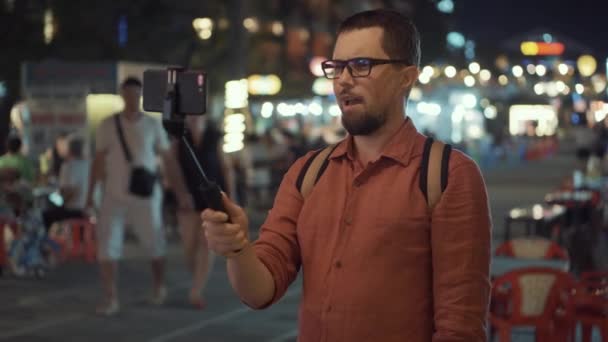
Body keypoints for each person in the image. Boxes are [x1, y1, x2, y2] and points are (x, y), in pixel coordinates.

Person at [202, 9, 492, 342]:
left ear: (406, 77)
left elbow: (461, 325)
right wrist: (238, 248)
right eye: (337, 67)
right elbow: (260, 291)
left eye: (361, 65)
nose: (343, 80)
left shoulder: (448, 175)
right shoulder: (308, 173)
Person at [86, 77, 170, 315]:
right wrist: (91, 194)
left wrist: (179, 189)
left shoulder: (153, 125)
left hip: (145, 194)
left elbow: (167, 158)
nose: (131, 99)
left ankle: (159, 286)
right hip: (114, 194)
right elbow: (98, 161)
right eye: (127, 95)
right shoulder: (107, 125)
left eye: (135, 95)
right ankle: (110, 296)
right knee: (107, 246)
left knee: (154, 242)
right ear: (122, 96)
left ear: (140, 96)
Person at [162, 115, 230, 309]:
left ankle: (196, 291)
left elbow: (225, 167)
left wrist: (232, 197)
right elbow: (171, 167)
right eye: (190, 115)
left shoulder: (213, 136)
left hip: (213, 195)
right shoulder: (179, 138)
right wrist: (181, 193)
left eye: (198, 114)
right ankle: (197, 280)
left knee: (207, 243)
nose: (194, 118)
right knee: (189, 247)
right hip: (188, 198)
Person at [42, 135, 90, 231]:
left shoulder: (69, 166)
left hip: (74, 210)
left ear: (69, 149)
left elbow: (68, 192)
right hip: (89, 210)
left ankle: (47, 242)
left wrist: (61, 199)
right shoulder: (89, 165)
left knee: (46, 214)